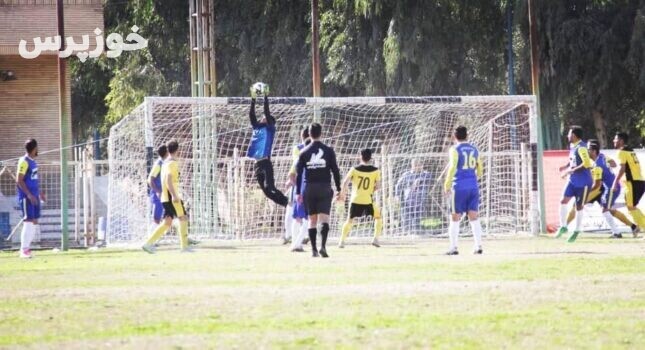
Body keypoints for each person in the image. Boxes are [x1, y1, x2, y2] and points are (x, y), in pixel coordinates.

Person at [565, 140, 638, 238]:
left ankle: (617, 233)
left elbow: (596, 184)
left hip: (604, 188)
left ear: (594, 151)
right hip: (603, 188)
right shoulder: (602, 156)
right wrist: (606, 168)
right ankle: (633, 227)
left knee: (582, 205)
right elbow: (614, 164)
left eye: (589, 149)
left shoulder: (597, 165)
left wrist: (585, 192)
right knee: (608, 210)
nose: (587, 151)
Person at [295, 123, 342, 258]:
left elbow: (298, 175)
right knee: (324, 219)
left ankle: (314, 250)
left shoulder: (303, 152)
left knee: (312, 220)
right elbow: (335, 171)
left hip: (309, 188)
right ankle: (323, 247)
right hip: (324, 187)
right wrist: (338, 189)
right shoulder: (328, 150)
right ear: (321, 133)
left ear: (309, 134)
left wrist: (298, 192)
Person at [142, 141, 190, 253]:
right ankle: (184, 247)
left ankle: (148, 244)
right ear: (178, 150)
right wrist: (174, 195)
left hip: (164, 197)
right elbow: (168, 180)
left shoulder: (163, 163)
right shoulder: (172, 163)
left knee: (167, 222)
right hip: (170, 197)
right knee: (183, 218)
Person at [443, 126, 484, 255]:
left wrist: (447, 184)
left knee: (455, 216)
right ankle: (478, 246)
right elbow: (480, 168)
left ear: (455, 137)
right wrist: (474, 176)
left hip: (459, 187)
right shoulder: (474, 149)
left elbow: (452, 167)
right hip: (473, 186)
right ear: (467, 135)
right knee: (474, 216)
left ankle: (453, 248)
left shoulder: (454, 149)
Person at [247, 87, 288, 207]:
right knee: (266, 192)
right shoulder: (257, 127)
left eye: (266, 117)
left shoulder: (270, 129)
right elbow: (251, 114)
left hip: (265, 163)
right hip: (257, 164)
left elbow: (266, 111)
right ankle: (285, 202)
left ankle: (287, 202)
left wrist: (265, 96)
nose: (263, 117)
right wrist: (253, 99)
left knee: (271, 187)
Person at [556, 126, 594, 243]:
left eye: (569, 134)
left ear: (574, 135)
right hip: (572, 181)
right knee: (563, 201)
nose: (567, 136)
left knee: (578, 207)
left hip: (583, 183)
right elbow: (573, 160)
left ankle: (577, 230)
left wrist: (569, 171)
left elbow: (587, 163)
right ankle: (564, 226)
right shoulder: (573, 146)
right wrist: (566, 166)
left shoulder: (582, 148)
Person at [338, 148, 382, 248]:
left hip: (355, 199)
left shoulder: (354, 169)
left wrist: (342, 194)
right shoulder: (376, 171)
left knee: (349, 220)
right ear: (371, 158)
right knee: (378, 218)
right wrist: (370, 191)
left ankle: (342, 241)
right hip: (368, 200)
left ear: (360, 157)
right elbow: (378, 186)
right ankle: (375, 239)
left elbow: (345, 182)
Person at [611, 132, 645, 237]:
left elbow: (622, 169)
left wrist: (615, 183)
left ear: (621, 141)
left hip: (632, 182)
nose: (613, 141)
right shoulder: (630, 151)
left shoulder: (621, 152)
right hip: (639, 181)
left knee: (630, 207)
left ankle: (641, 226)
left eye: (615, 139)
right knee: (632, 207)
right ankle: (638, 227)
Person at [16, 139, 45, 259]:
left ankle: (27, 249)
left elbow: (33, 179)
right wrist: (28, 194)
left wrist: (39, 193)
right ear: (34, 149)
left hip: (35, 196)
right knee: (28, 222)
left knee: (34, 221)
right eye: (37, 148)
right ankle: (23, 250)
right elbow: (19, 180)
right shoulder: (24, 162)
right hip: (27, 197)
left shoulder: (33, 162)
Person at [286, 127, 311, 252]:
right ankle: (296, 242)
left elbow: (291, 174)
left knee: (297, 217)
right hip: (305, 191)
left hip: (300, 191)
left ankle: (296, 243)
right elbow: (292, 174)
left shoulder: (299, 153)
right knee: (305, 217)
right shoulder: (305, 153)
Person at [395, 159, 432, 231]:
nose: (418, 167)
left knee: (417, 218)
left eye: (419, 165)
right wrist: (397, 195)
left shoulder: (426, 174)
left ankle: (417, 232)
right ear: (412, 166)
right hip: (408, 200)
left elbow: (429, 177)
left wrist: (419, 180)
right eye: (416, 165)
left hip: (420, 200)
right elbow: (398, 185)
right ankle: (407, 232)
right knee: (407, 217)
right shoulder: (407, 175)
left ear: (422, 166)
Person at [147, 145, 167, 225]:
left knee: (165, 216)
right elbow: (150, 180)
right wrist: (158, 191)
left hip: (164, 193)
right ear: (166, 153)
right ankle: (153, 234)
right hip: (157, 195)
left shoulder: (165, 163)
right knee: (156, 218)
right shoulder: (158, 164)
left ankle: (158, 234)